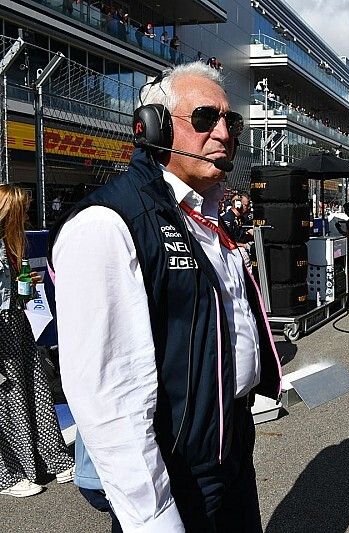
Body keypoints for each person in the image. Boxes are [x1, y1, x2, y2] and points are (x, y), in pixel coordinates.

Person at [50, 62, 282, 531]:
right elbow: (108, 392)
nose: (222, 133)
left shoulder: (209, 218)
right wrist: (152, 517)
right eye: (204, 119)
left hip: (231, 443)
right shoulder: (108, 223)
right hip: (175, 466)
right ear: (153, 127)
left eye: (230, 122)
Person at [0, 185, 74, 499]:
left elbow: (15, 293)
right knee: (7, 398)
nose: (27, 217)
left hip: (16, 324)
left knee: (36, 390)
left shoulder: (10, 244)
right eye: (23, 211)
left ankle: (51, 458)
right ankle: (7, 473)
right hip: (4, 328)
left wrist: (25, 284)